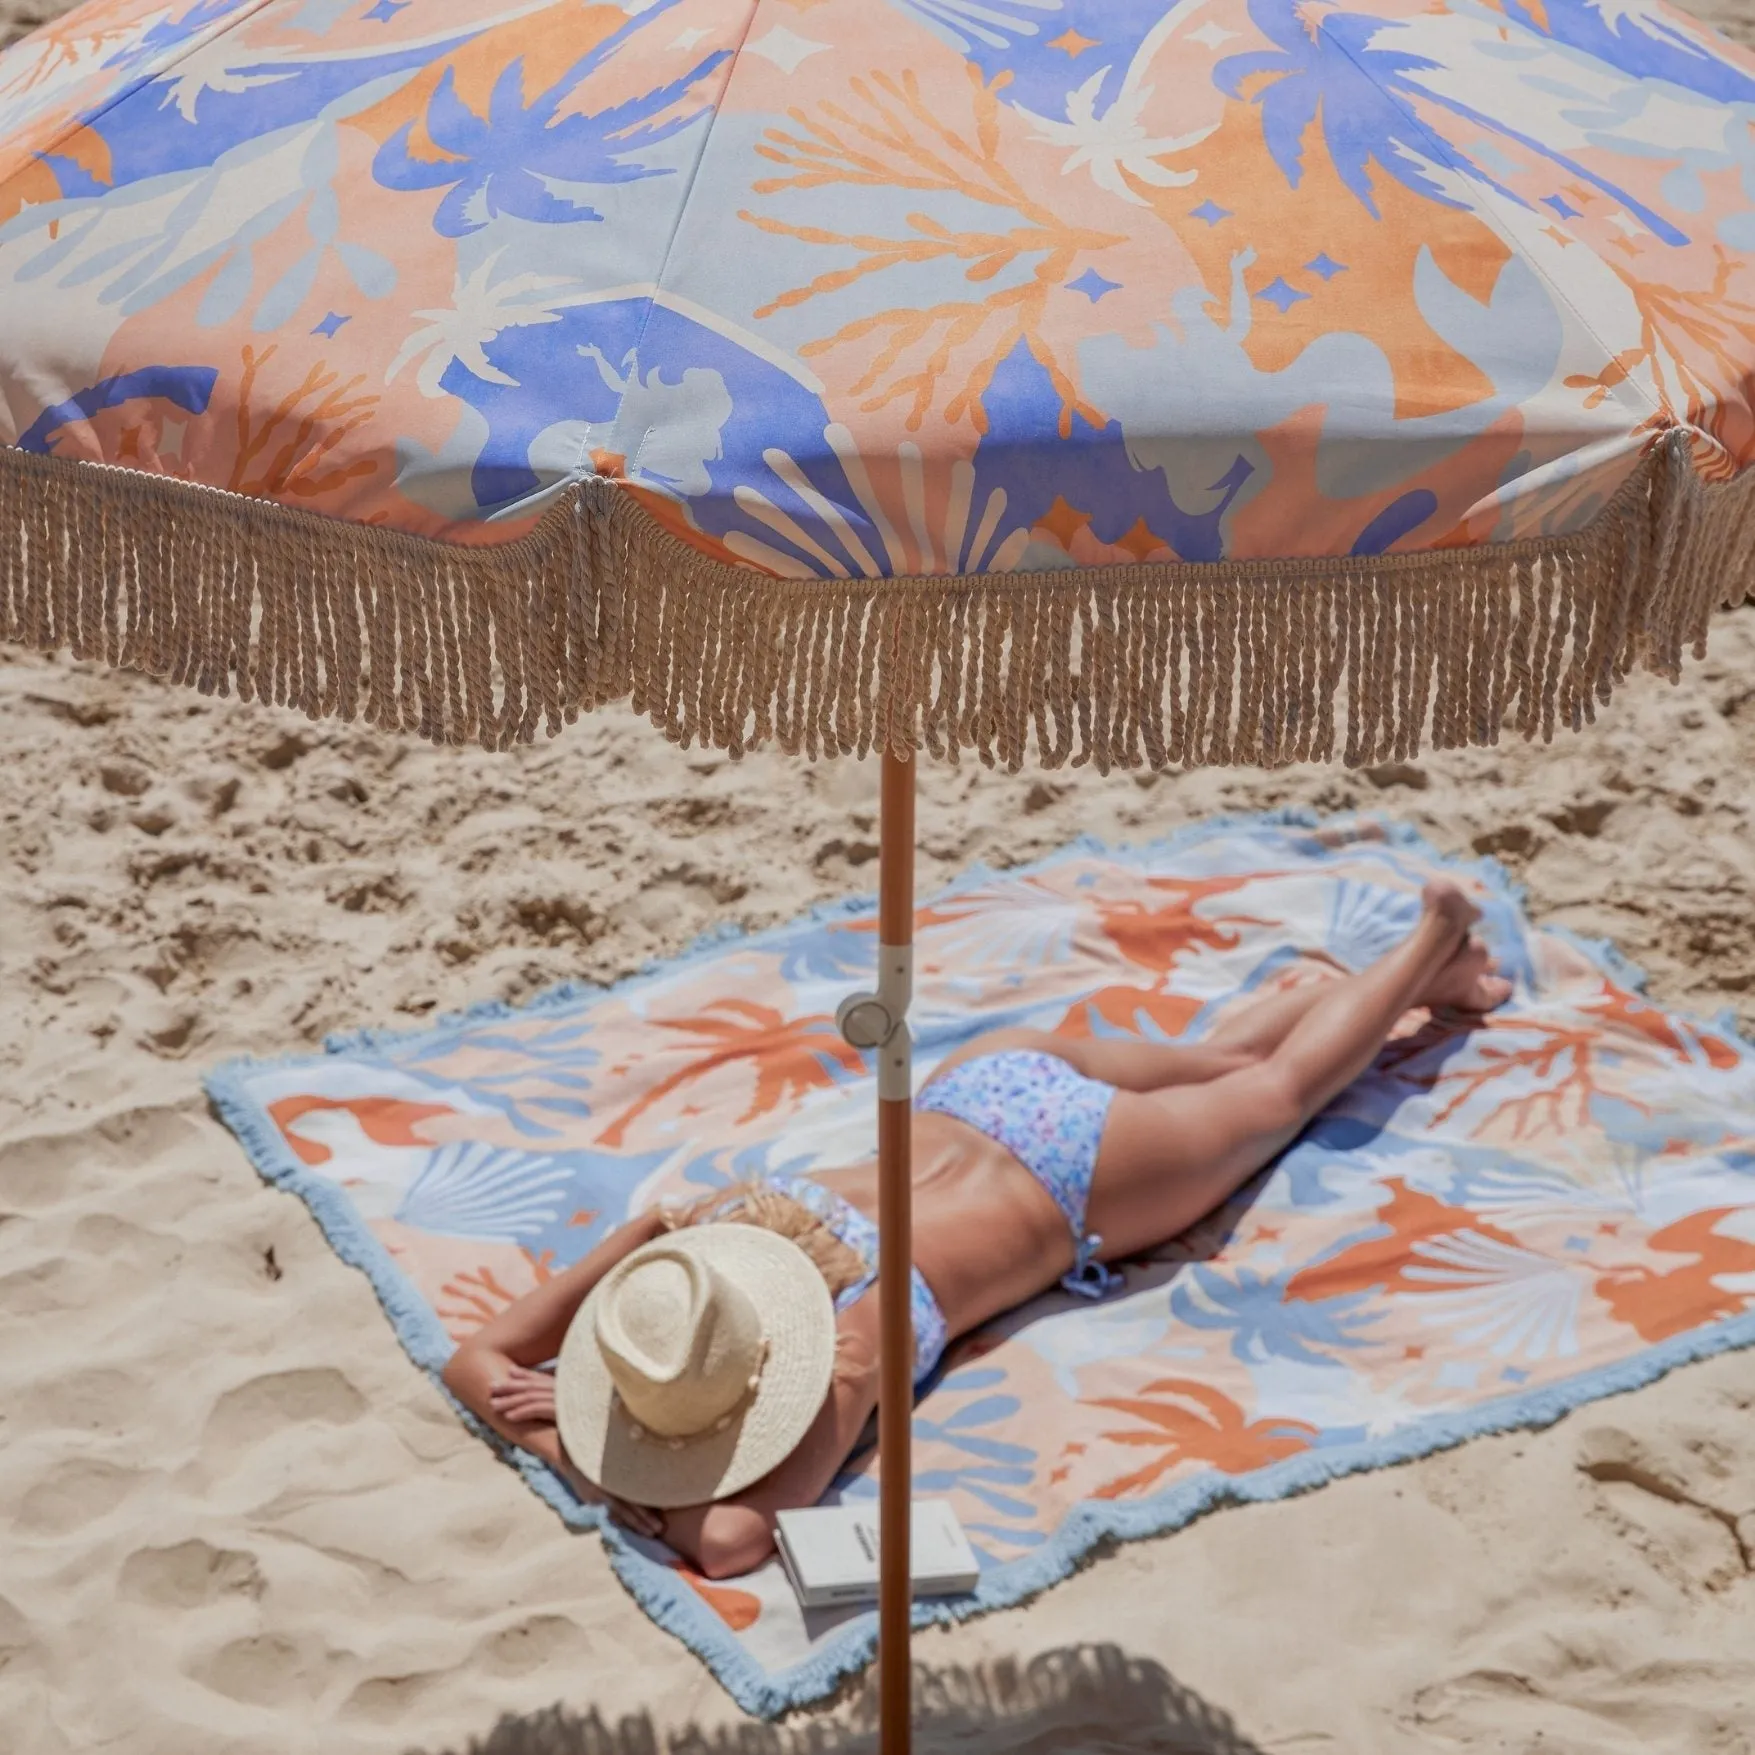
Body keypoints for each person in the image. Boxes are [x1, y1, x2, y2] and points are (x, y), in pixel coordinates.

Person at [443, 879, 1511, 1579]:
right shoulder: (698, 1235)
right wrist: (609, 1315)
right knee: (1230, 1063)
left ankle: (1430, 939)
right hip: (984, 1085)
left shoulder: (842, 1356)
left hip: (1072, 1178)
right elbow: (477, 1359)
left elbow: (728, 1541)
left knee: (1279, 1094)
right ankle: (1385, 983)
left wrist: (590, 1462)